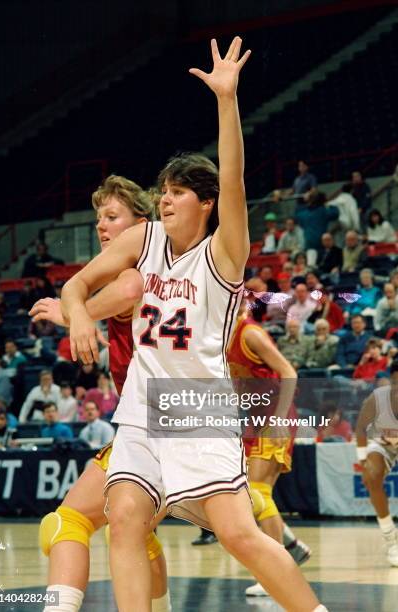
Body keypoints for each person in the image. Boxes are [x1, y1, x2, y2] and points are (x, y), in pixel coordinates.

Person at [60, 37, 325, 612]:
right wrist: (77, 313)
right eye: (164, 192)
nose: (166, 200)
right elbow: (75, 284)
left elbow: (233, 179)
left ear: (205, 204)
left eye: (178, 192)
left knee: (238, 533)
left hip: (197, 407)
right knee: (124, 515)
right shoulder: (143, 239)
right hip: (140, 411)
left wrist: (226, 101)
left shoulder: (223, 254)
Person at [30, 174, 170, 612]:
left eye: (112, 217)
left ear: (140, 224)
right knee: (135, 530)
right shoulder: (170, 268)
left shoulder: (134, 270)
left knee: (65, 522)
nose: (102, 227)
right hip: (183, 418)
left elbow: (129, 288)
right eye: (97, 219)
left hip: (158, 425)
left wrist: (74, 316)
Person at [227, 298, 311, 598]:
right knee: (250, 494)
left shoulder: (250, 333)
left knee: (259, 492)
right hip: (256, 416)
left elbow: (289, 372)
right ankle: (290, 546)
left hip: (276, 414)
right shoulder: (223, 336)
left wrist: (277, 418)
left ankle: (275, 574)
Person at [355, 360, 398, 566]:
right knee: (371, 477)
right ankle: (391, 539)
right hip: (382, 444)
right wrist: (363, 459)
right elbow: (361, 427)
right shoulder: (377, 398)